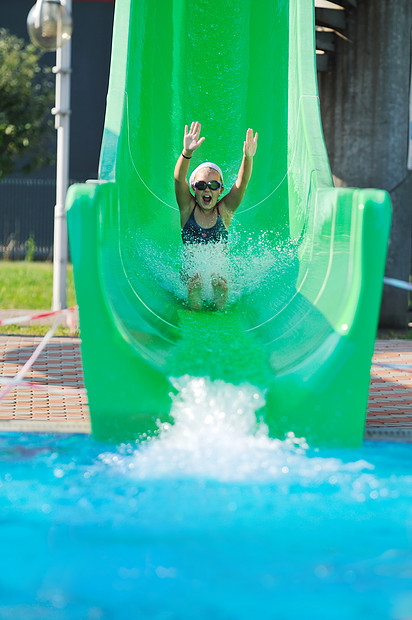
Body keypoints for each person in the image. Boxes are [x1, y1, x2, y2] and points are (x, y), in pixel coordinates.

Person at [174, 121, 258, 310]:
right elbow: (179, 179)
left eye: (213, 186)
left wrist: (248, 157)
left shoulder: (225, 211)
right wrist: (186, 153)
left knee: (221, 280)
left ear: (220, 190)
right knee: (190, 281)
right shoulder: (187, 209)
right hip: (192, 274)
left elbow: (241, 183)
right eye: (201, 185)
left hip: (217, 274)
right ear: (194, 189)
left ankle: (220, 298)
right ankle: (194, 298)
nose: (207, 190)